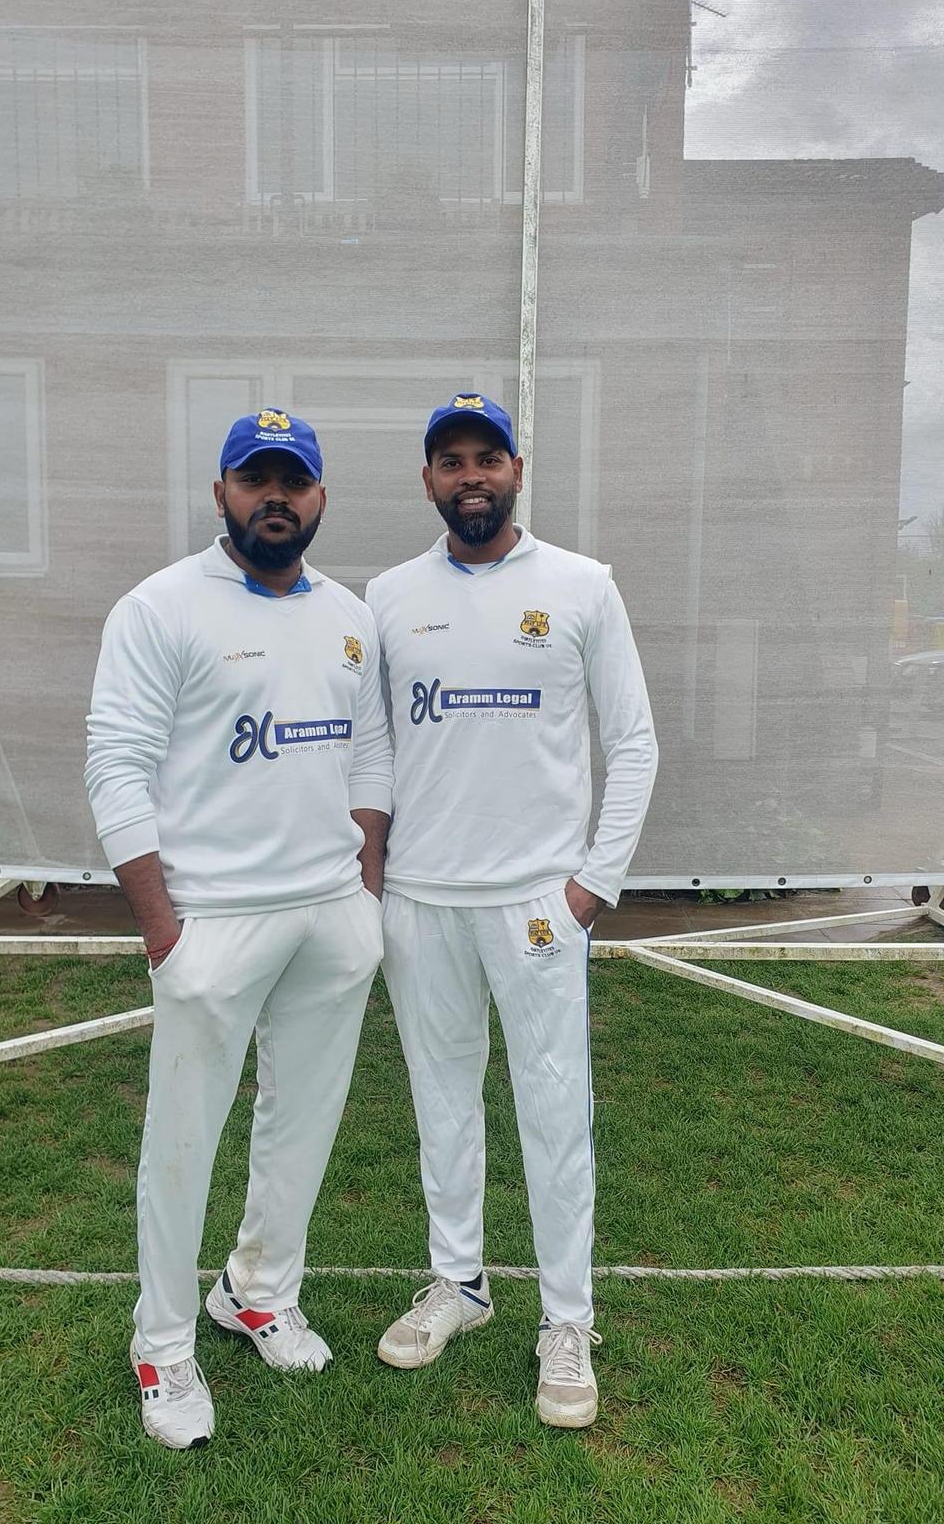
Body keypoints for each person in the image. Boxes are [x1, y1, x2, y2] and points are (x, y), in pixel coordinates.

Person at [85, 409, 392, 1449]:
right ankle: (163, 1341)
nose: (276, 497)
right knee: (183, 1140)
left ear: (319, 496)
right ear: (221, 492)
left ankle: (256, 1290)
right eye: (254, 480)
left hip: (328, 919)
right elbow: (115, 765)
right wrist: (163, 926)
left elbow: (371, 758)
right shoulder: (160, 607)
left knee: (302, 1119)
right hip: (210, 921)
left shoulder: (351, 616)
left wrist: (364, 896)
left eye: (293, 481)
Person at [365, 393, 658, 1429]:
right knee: (442, 1099)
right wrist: (374, 874)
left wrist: (590, 887)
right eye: (451, 460)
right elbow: (372, 752)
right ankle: (461, 1282)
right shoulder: (390, 595)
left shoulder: (581, 586)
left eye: (488, 457)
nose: (471, 475)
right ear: (429, 479)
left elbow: (632, 742)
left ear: (518, 469)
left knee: (550, 1108)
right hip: (422, 900)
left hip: (537, 904)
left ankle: (567, 1320)